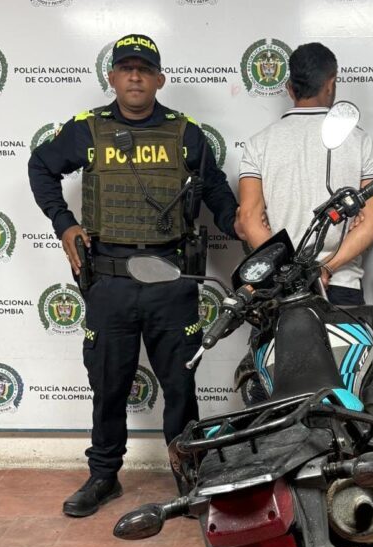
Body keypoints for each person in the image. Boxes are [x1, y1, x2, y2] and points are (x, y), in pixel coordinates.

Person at [28, 33, 242, 517]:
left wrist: (241, 224)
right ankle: (104, 475)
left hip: (172, 282)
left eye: (144, 70)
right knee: (108, 384)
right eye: (126, 69)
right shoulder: (88, 130)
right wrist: (64, 223)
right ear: (112, 77)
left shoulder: (185, 134)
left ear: (159, 79)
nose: (135, 77)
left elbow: (216, 192)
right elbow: (41, 166)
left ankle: (189, 478)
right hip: (110, 282)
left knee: (180, 387)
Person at [238, 42, 373, 306]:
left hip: (281, 288)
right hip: (340, 284)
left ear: (289, 88)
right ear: (331, 84)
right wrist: (327, 267)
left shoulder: (258, 143)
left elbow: (249, 218)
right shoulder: (359, 141)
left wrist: (286, 272)